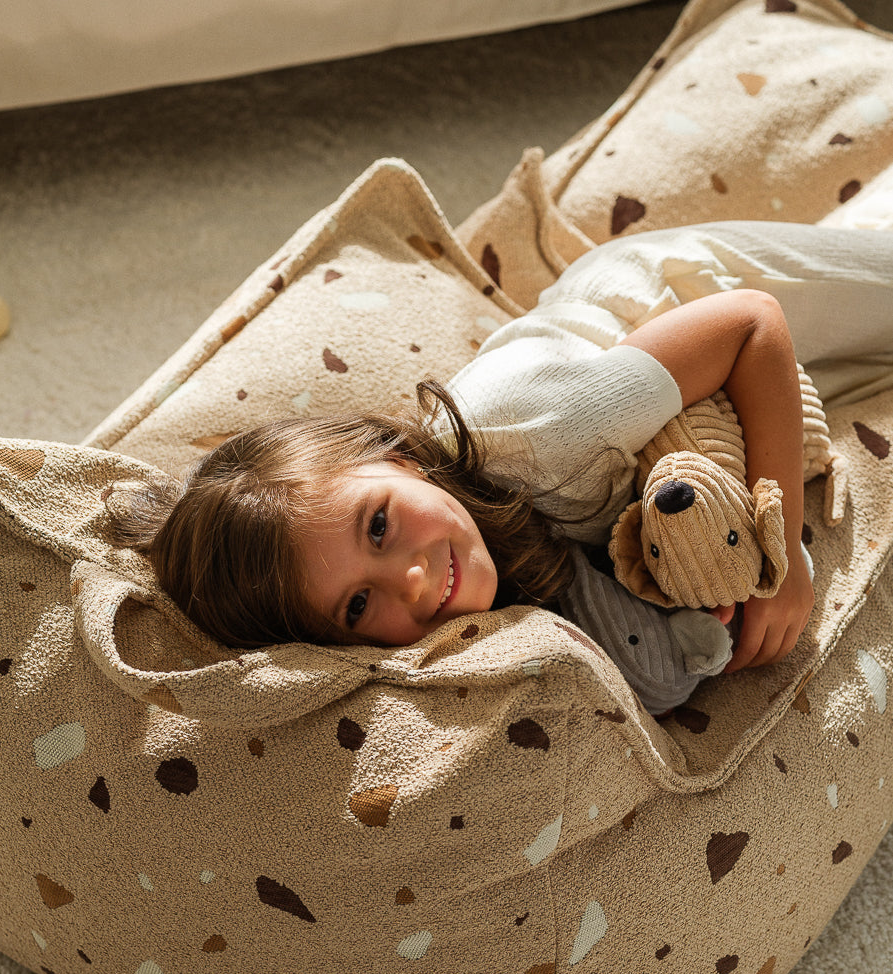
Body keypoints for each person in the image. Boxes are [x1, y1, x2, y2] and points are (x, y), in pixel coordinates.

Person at [107, 221, 893, 714]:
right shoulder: (467, 621)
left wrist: (780, 544)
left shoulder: (537, 432)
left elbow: (753, 324)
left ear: (398, 455)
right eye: (355, 605)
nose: (411, 582)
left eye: (377, 523)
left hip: (685, 294)